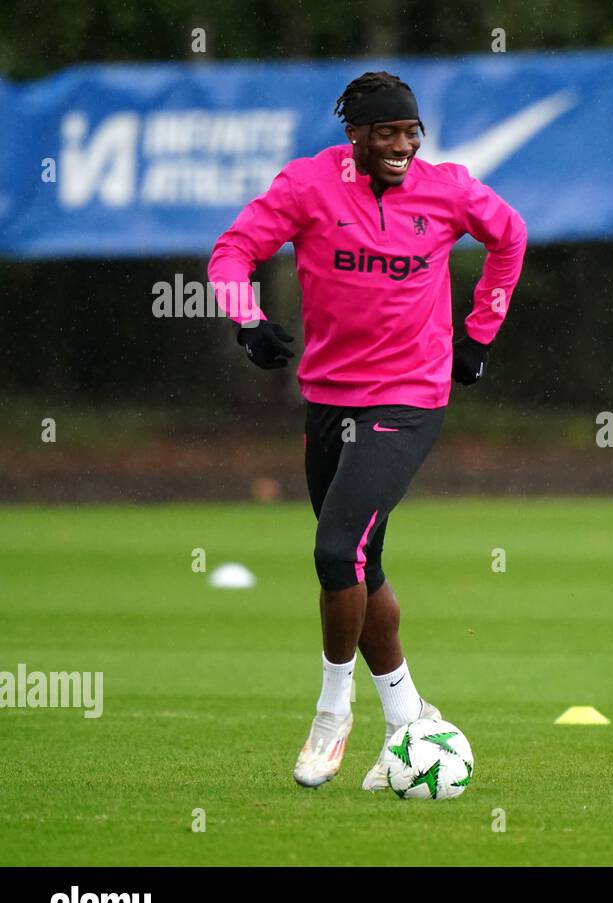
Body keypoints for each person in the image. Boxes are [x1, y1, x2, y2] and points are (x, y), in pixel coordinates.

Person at [208, 71, 526, 790]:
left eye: (412, 133)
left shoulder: (446, 189)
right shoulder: (307, 185)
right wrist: (246, 318)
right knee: (362, 565)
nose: (404, 147)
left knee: (332, 550)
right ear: (355, 136)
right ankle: (409, 718)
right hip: (329, 401)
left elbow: (510, 236)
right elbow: (232, 252)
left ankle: (331, 709)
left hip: (410, 399)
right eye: (388, 133)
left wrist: (479, 333)